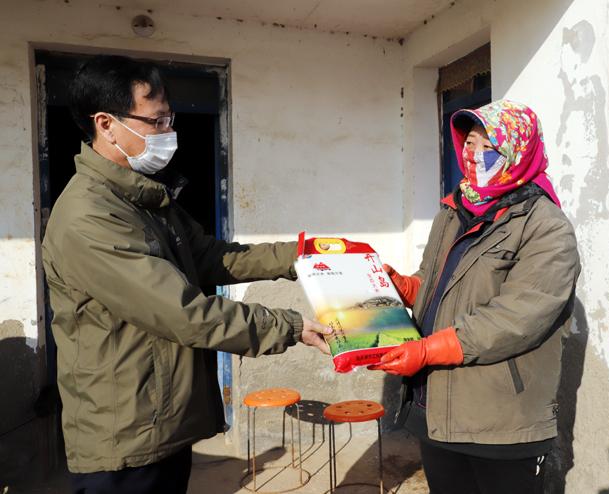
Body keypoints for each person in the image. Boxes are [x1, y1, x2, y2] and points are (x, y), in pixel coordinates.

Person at [41, 55, 332, 494]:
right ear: (106, 124)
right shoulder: (90, 216)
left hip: (162, 422)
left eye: (169, 119)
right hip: (125, 436)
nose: (168, 133)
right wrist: (289, 326)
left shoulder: (143, 198)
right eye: (156, 121)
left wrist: (301, 256)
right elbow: (182, 312)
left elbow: (212, 257)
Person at [370, 100, 581, 493]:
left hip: (500, 422)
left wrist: (428, 350)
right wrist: (405, 287)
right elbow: (436, 282)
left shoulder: (546, 227)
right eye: (470, 143)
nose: (475, 155)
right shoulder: (453, 211)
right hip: (436, 408)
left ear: (518, 152)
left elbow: (516, 318)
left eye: (489, 146)